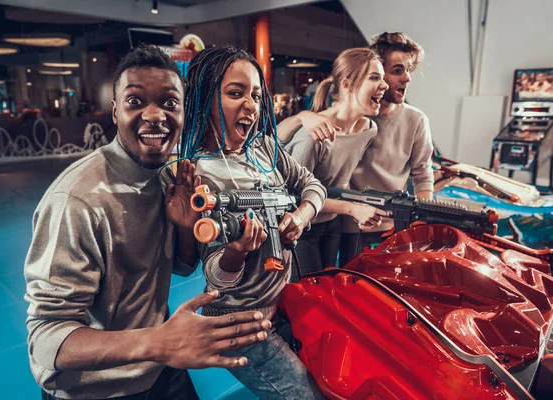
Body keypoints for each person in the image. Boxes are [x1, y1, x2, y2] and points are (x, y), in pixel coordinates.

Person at [24, 45, 272, 400]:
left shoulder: (164, 179)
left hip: (158, 365)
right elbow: (45, 339)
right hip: (95, 389)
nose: (155, 115)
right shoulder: (76, 201)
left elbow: (183, 268)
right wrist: (159, 340)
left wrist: (186, 225)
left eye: (169, 103)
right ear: (115, 112)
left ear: (184, 114)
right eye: (136, 101)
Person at [180, 46, 326, 399]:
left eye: (257, 95)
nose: (251, 105)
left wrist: (300, 216)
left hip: (279, 301)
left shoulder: (263, 150)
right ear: (203, 100)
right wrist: (236, 252)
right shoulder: (200, 176)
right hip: (238, 320)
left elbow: (313, 185)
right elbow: (215, 274)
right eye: (235, 93)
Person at [277, 32, 434, 264]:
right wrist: (303, 117)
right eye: (396, 71)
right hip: (329, 222)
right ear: (350, 84)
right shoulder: (317, 132)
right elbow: (277, 151)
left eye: (408, 70)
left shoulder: (369, 127)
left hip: (355, 221)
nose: (407, 78)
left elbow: (423, 174)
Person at [283, 48, 390, 275]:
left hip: (332, 224)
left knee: (328, 288)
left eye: (382, 77)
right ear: (347, 84)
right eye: (374, 77)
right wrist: (352, 209)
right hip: (303, 227)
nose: (385, 85)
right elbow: (293, 197)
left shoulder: (369, 130)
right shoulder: (312, 136)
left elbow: (338, 181)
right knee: (307, 297)